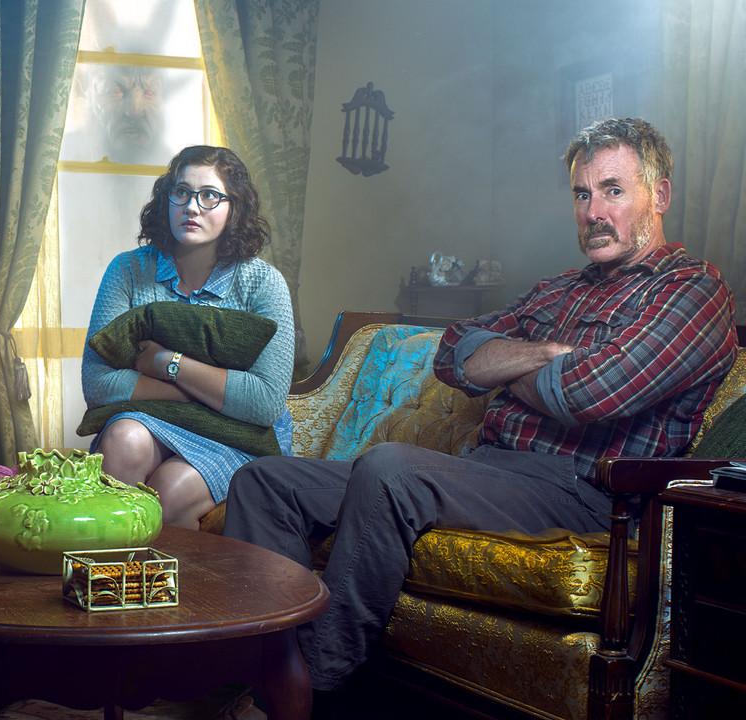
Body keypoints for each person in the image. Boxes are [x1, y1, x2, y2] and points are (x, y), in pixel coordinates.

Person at [222, 117, 738, 697]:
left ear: (659, 194)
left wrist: (503, 366)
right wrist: (546, 354)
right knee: (265, 482)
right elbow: (453, 351)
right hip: (489, 469)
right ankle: (266, 677)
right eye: (581, 193)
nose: (593, 211)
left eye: (613, 190)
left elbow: (587, 393)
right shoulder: (560, 289)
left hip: (583, 492)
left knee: (391, 471)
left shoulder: (692, 290)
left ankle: (307, 690)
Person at [82, 145, 295, 529]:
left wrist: (166, 363)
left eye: (209, 195)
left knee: (170, 491)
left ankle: (163, 572)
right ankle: (106, 566)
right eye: (181, 192)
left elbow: (264, 402)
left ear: (235, 208)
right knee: (123, 438)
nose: (192, 207)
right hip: (153, 419)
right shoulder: (128, 270)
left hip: (235, 435)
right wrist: (205, 392)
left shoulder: (263, 283)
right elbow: (98, 384)